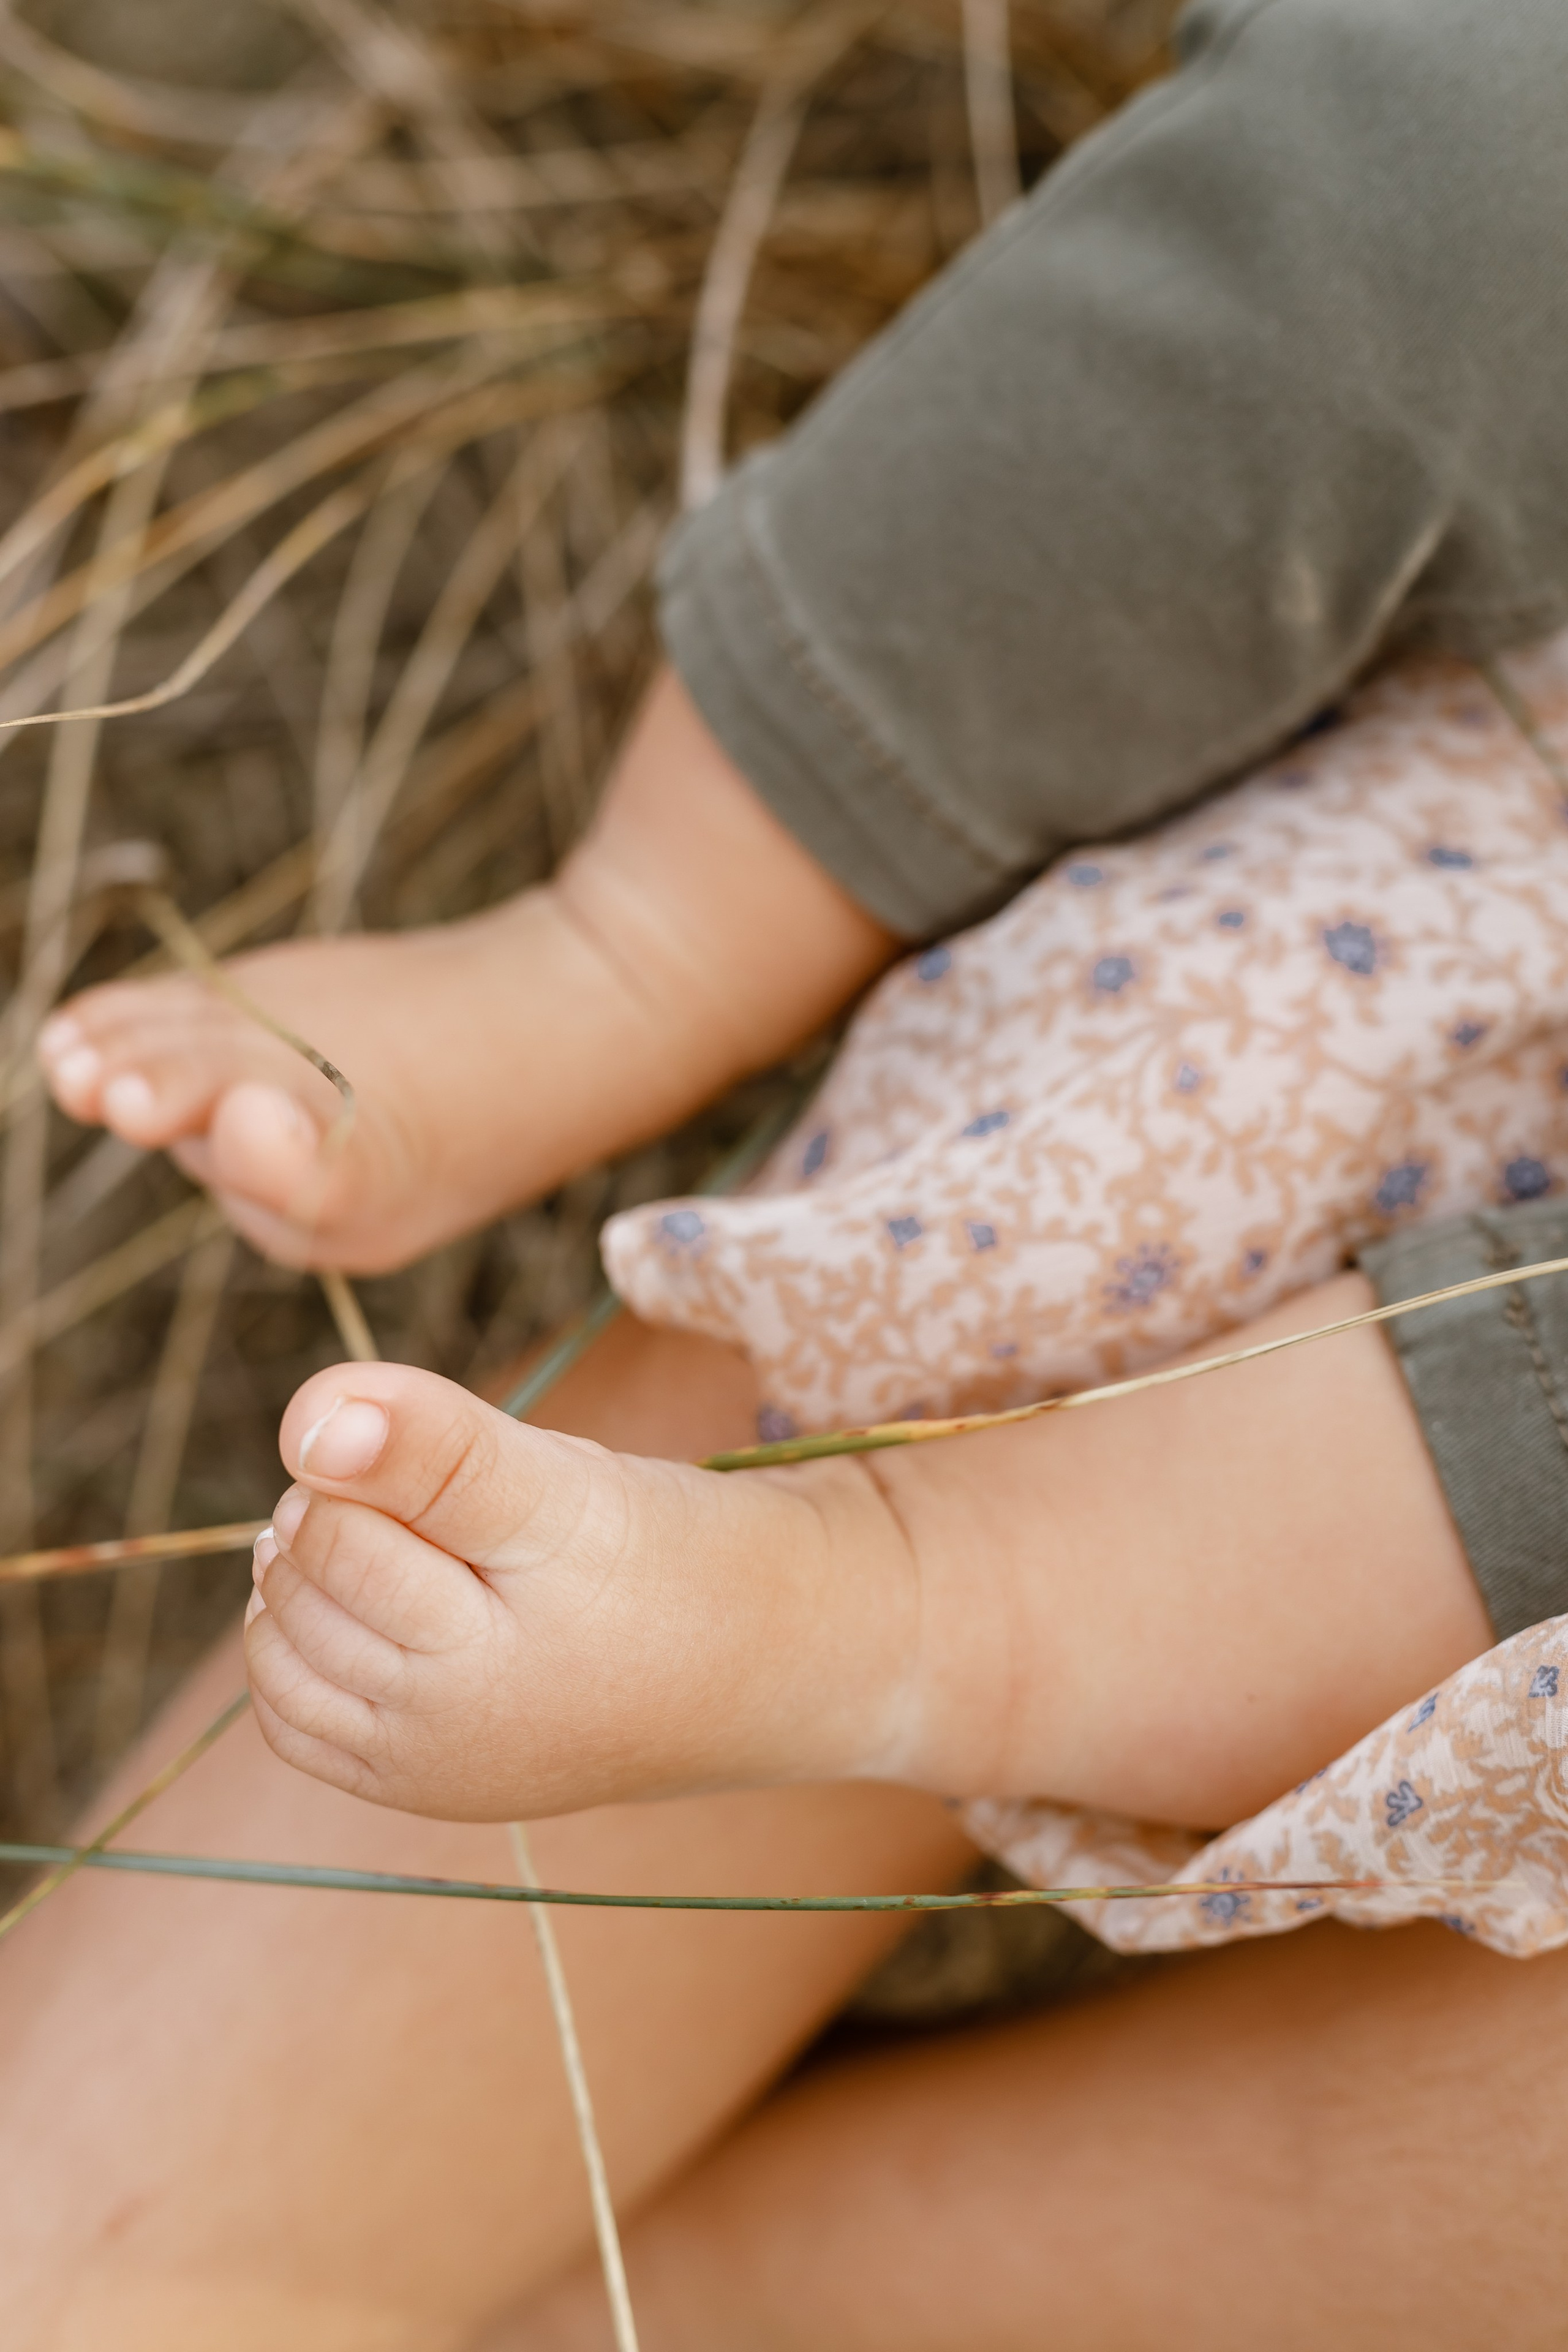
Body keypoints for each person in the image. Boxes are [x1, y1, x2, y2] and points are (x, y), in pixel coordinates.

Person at [10, 0, 1568, 2340]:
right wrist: (636, 944)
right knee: (80, 2279)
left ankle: (758, 2140)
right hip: (1329, 1076)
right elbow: (1444, 177)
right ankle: (644, 1005)